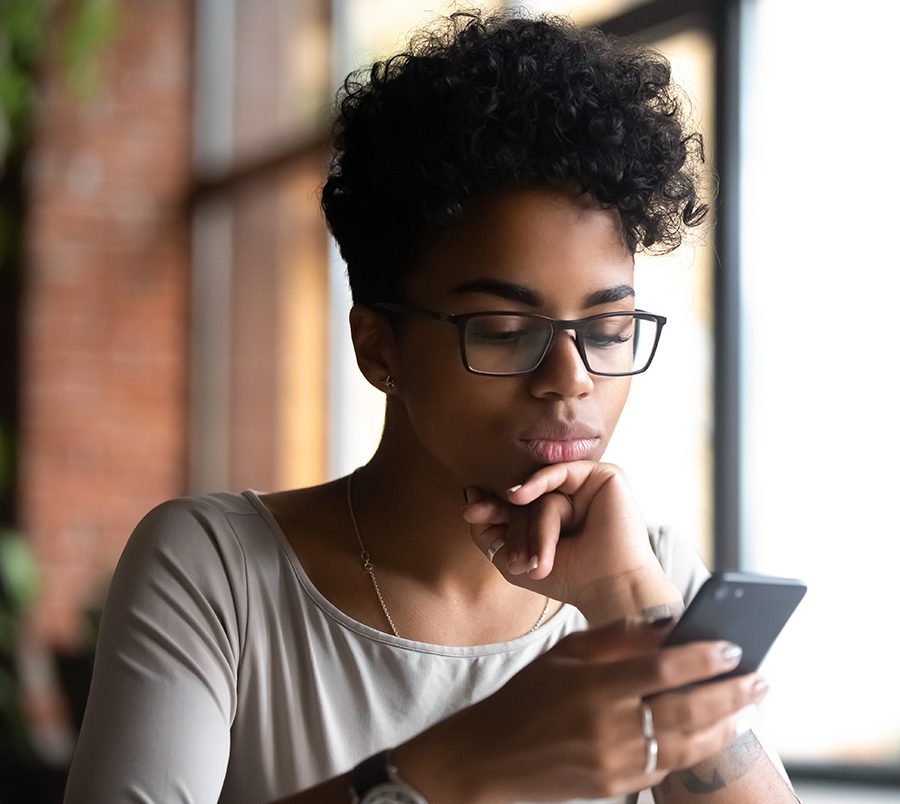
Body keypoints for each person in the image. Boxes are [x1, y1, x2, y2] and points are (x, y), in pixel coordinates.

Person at [64, 10, 799, 804]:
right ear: (379, 347)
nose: (571, 378)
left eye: (609, 328)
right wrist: (460, 763)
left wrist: (628, 600)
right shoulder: (219, 571)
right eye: (506, 330)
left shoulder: (644, 566)